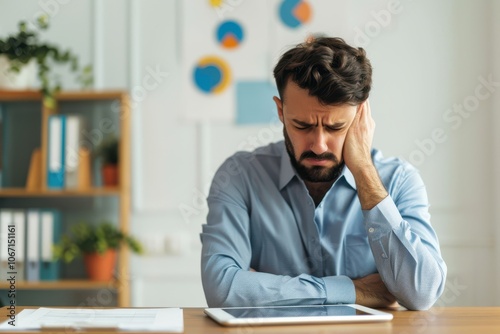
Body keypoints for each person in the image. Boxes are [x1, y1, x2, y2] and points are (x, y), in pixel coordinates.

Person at [200, 36, 447, 310]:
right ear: (281, 111)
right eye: (302, 126)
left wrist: (364, 171)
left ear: (361, 117)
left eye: (335, 128)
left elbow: (422, 292)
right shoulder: (239, 176)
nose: (318, 145)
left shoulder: (398, 181)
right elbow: (222, 290)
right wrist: (353, 289)